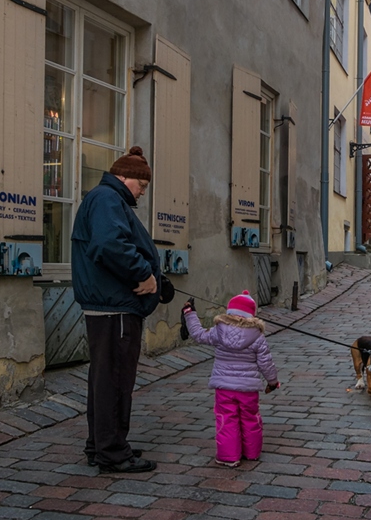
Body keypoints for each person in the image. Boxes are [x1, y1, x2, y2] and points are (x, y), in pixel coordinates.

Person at [71, 146, 161, 474]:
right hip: (115, 307)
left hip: (110, 305)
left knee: (104, 378)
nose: (142, 191)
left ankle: (102, 444)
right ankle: (112, 451)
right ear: (125, 177)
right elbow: (109, 244)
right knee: (115, 379)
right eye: (142, 185)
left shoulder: (105, 198)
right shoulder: (108, 198)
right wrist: (144, 274)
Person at [182, 290, 280, 467]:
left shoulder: (219, 332)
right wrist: (272, 382)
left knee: (226, 419)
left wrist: (190, 314)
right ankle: (252, 453)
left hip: (224, 387)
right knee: (250, 418)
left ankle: (229, 457)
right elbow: (266, 362)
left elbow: (198, 334)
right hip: (248, 389)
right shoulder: (257, 336)